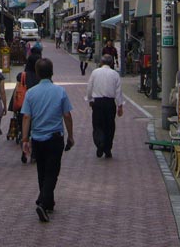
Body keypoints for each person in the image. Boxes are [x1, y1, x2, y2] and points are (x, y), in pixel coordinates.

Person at [20, 58, 73, 222]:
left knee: (42, 171)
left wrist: (25, 139)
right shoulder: (60, 92)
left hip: (37, 138)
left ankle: (48, 201)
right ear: (52, 72)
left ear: (37, 73)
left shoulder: (31, 93)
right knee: (52, 172)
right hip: (55, 138)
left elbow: (27, 117)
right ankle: (43, 202)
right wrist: (70, 135)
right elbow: (66, 115)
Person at [86, 54, 124, 158]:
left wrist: (90, 99)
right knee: (110, 126)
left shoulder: (95, 72)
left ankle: (100, 143)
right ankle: (108, 148)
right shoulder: (115, 74)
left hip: (97, 102)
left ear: (101, 63)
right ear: (111, 63)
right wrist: (120, 105)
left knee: (97, 124)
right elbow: (118, 91)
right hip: (110, 103)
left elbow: (89, 87)